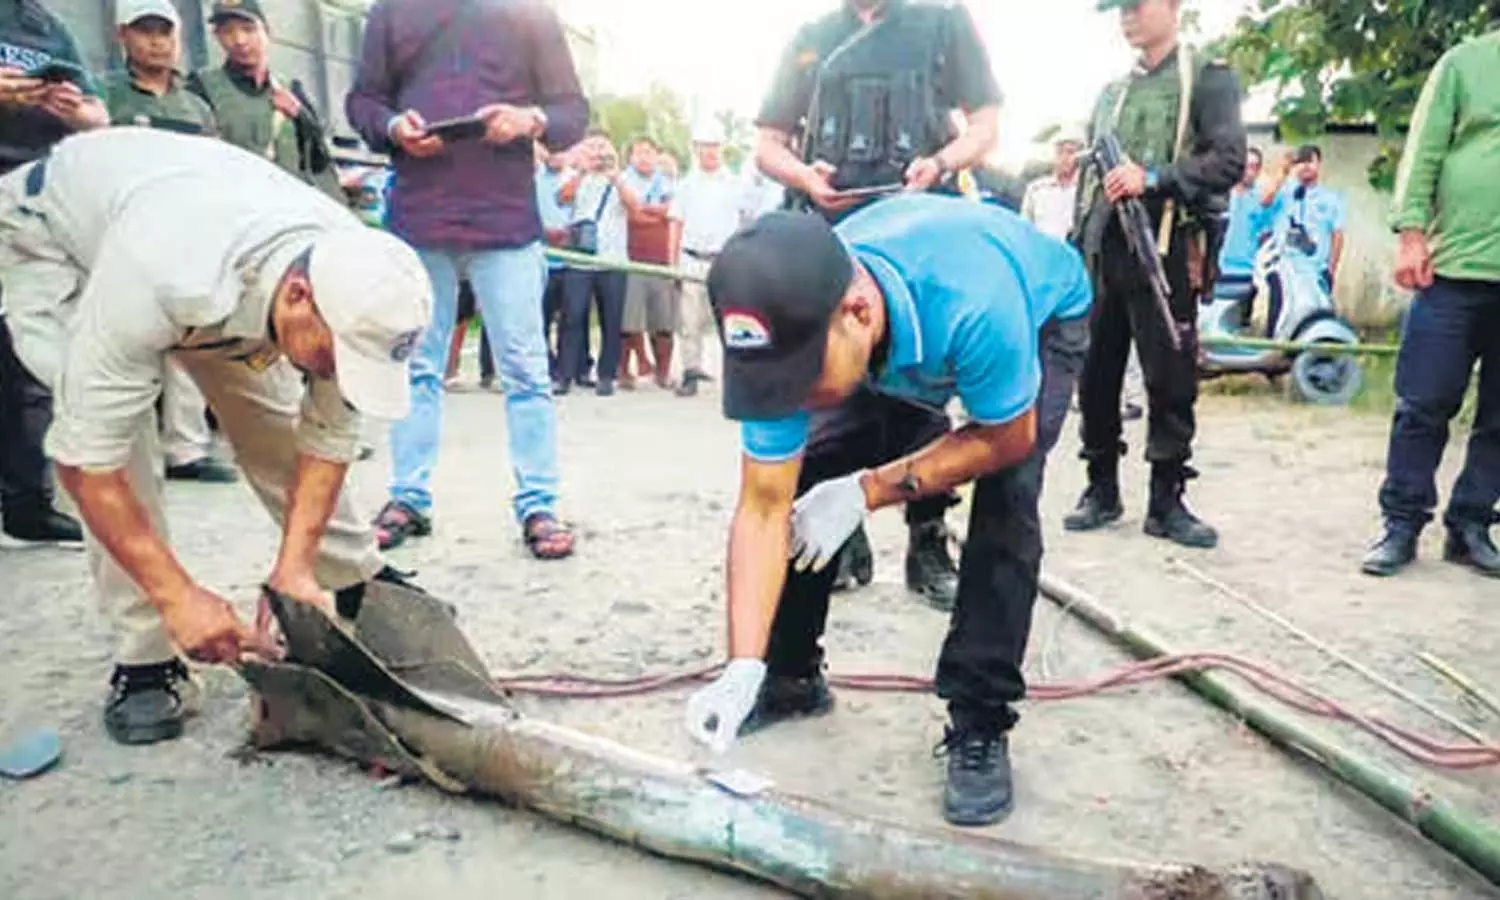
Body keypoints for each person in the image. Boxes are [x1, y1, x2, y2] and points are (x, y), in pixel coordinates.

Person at [0, 127, 433, 744]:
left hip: (206, 242)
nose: (340, 373)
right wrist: (178, 594)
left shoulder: (351, 275)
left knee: (278, 418)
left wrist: (295, 567)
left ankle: (341, 576)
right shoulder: (166, 270)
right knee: (118, 445)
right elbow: (85, 461)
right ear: (299, 297)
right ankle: (147, 654)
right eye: (339, 355)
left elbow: (326, 433)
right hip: (57, 239)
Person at [682, 194, 1092, 827]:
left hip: (1038, 316)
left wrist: (867, 491)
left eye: (799, 379)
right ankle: (789, 676)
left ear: (859, 312)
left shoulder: (975, 301)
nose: (788, 399)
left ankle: (980, 719)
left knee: (1007, 501)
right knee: (812, 462)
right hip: (898, 338)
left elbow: (1006, 435)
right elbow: (763, 507)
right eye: (774, 383)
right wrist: (743, 662)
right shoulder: (798, 316)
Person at [750, 0, 1003, 610]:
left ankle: (929, 538)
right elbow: (767, 144)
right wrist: (806, 178)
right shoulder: (811, 38)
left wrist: (940, 162)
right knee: (833, 385)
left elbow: (985, 125)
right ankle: (843, 533)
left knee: (923, 384)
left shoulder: (943, 22)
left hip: (922, 232)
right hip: (834, 237)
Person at [346, 0, 588, 559]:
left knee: (526, 370)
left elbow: (571, 110)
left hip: (505, 221)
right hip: (419, 216)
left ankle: (539, 502)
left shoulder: (531, 13)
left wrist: (531, 120)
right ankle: (408, 496)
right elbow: (363, 101)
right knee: (415, 366)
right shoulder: (391, 12)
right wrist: (391, 126)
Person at [1063, 0, 1246, 550]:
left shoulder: (1208, 80)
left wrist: (1155, 177)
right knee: (1095, 375)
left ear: (1172, 7)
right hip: (1104, 249)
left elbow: (1230, 160)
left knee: (1169, 373)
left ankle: (1166, 500)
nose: (1126, 17)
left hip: (1166, 246)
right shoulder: (1113, 92)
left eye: (1136, 6)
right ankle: (1101, 487)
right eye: (1118, 9)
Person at [1361, 31, 1500, 579]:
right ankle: (1401, 524)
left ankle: (1470, 527)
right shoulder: (1465, 63)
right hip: (1452, 269)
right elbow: (1423, 152)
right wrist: (1412, 234)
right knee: (1423, 404)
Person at [103, 0, 241, 486]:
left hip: (186, 234)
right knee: (124, 346)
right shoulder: (107, 96)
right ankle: (114, 453)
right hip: (122, 236)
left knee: (189, 340)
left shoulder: (194, 105)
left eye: (165, 31)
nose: (157, 41)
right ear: (124, 36)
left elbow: (216, 169)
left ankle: (185, 450)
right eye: (145, 31)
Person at [0, 0, 105, 545]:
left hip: (33, 198)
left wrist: (68, 107)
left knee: (30, 355)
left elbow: (97, 115)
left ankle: (27, 502)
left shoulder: (48, 26)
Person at [188, 0, 343, 203]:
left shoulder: (292, 90)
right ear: (217, 37)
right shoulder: (202, 88)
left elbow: (319, 163)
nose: (239, 40)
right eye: (227, 32)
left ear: (267, 32)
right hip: (232, 209)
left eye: (248, 29)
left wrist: (300, 116)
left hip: (288, 209)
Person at [556, 132, 633, 396]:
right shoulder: (574, 172)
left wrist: (616, 178)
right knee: (572, 317)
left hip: (613, 259)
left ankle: (606, 375)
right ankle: (565, 375)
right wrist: (581, 171)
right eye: (593, 146)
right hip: (579, 258)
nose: (599, 152)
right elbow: (563, 197)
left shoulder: (622, 176)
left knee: (611, 319)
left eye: (604, 147)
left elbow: (636, 208)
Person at [669, 121, 741, 399]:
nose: (709, 152)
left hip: (724, 259)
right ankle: (690, 371)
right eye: (704, 147)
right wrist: (671, 261)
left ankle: (734, 378)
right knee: (689, 321)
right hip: (691, 257)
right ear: (696, 150)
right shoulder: (686, 185)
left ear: (721, 149)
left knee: (730, 321)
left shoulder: (734, 184)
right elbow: (675, 221)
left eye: (714, 146)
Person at [1257, 144, 1346, 336]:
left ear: (1318, 164)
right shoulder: (1284, 192)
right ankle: (1273, 353)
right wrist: (1283, 169)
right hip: (1283, 267)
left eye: (1310, 161)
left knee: (1317, 313)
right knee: (1279, 312)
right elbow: (1265, 200)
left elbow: (1337, 236)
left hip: (1315, 269)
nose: (1305, 166)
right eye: (1301, 161)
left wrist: (1331, 269)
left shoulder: (1331, 198)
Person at [620, 135, 677, 390]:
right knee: (628, 320)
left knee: (663, 320)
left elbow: (673, 212)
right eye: (639, 152)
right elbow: (632, 215)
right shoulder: (622, 181)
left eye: (649, 152)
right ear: (630, 157)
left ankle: (663, 372)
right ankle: (624, 371)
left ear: (657, 155)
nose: (644, 157)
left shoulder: (668, 183)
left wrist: (649, 211)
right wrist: (658, 213)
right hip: (630, 259)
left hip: (661, 260)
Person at [1214, 146, 1268, 327]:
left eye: (1254, 166)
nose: (1248, 171)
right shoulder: (1219, 196)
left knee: (1234, 329)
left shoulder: (1261, 200)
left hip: (1244, 276)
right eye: (1245, 165)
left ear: (1259, 170)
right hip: (1216, 273)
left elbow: (1266, 235)